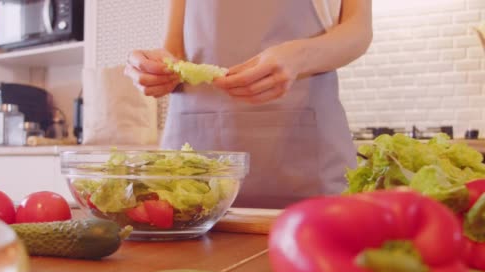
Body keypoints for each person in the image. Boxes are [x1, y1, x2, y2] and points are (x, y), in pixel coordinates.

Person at [125, 0, 373, 209]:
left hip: (303, 167)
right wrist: (155, 68)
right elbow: (175, 49)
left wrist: (298, 57)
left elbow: (358, 30)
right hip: (193, 166)